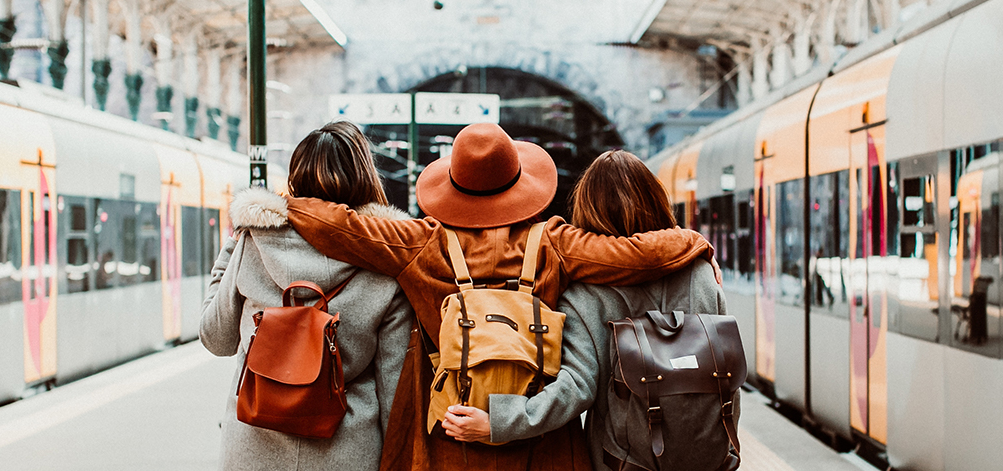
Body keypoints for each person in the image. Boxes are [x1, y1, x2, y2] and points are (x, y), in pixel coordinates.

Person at [280, 123, 715, 471]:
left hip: (450, 432)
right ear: (520, 181)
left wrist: (288, 204)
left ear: (452, 185)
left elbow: (336, 225)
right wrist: (693, 243)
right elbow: (635, 254)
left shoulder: (420, 244)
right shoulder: (554, 243)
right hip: (538, 437)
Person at [439, 150, 731, 471]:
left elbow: (576, 387)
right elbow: (725, 369)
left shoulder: (586, 291)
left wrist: (499, 421)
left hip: (623, 462)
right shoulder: (703, 274)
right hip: (708, 457)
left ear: (588, 211)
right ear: (656, 199)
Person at [200, 121, 414, 471]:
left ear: (295, 179)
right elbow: (393, 388)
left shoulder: (253, 243)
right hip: (348, 453)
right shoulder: (385, 259)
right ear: (365, 177)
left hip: (254, 447)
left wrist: (232, 250)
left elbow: (216, 337)